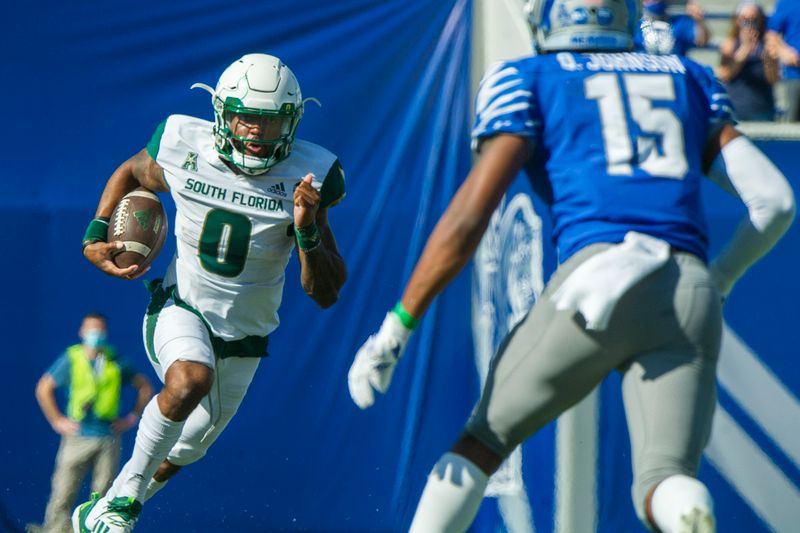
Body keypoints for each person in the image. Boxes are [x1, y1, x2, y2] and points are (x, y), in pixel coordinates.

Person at [347, 1, 795, 532]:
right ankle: (688, 513)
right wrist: (717, 281)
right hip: (688, 284)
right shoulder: (688, 76)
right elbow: (775, 202)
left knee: (482, 443)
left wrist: (397, 326)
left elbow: (470, 216)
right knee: (665, 477)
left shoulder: (531, 77)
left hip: (598, 281)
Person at [72, 53, 347, 532]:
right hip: (182, 308)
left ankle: (101, 510)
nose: (257, 131)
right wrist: (96, 232)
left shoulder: (312, 176)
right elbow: (134, 172)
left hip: (244, 339)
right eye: (246, 116)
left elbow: (325, 292)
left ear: (293, 121)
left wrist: (306, 232)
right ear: (221, 111)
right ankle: (119, 510)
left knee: (186, 448)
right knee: (188, 380)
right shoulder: (184, 142)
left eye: (271, 119)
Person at [32, 313, 152, 533]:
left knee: (105, 493)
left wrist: (131, 417)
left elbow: (144, 387)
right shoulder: (71, 358)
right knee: (63, 492)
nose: (94, 335)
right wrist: (57, 420)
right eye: (90, 329)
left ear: (105, 333)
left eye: (99, 330)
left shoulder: (115, 360)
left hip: (108, 436)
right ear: (82, 332)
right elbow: (44, 388)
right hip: (78, 435)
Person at [717, 1, 779, 121]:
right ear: (737, 20)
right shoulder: (729, 44)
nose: (750, 23)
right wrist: (745, 48)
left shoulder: (767, 43)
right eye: (745, 18)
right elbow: (726, 74)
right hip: (736, 110)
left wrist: (768, 59)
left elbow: (773, 79)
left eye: (754, 19)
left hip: (763, 110)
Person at [634, 0, 709, 55]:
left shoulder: (680, 22)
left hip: (672, 73)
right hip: (640, 72)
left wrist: (698, 20)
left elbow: (701, 41)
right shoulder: (633, 23)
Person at [766, 0, 800, 121]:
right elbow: (771, 34)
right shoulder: (787, 3)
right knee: (793, 129)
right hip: (795, 76)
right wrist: (784, 52)